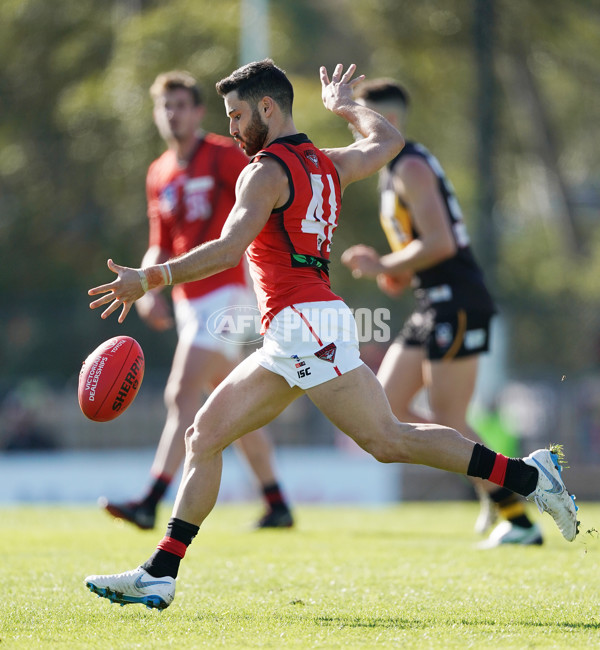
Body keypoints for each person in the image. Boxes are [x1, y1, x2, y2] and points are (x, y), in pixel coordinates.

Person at [83, 61, 578, 610]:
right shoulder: (326, 162)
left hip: (304, 325)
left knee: (388, 440)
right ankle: (161, 570)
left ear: (267, 108)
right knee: (205, 435)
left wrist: (149, 278)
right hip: (298, 328)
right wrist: (346, 106)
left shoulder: (264, 172)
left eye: (238, 115)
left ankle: (530, 477)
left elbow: (227, 250)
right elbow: (388, 139)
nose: (232, 129)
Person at [341, 79, 541, 548]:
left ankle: (519, 510)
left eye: (359, 119)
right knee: (385, 407)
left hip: (458, 299)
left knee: (450, 415)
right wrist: (391, 272)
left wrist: (382, 264)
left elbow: (441, 244)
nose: (355, 130)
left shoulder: (409, 165)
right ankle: (495, 491)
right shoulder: (391, 173)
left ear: (386, 121)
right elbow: (420, 252)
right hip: (432, 299)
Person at [99, 70, 293, 531]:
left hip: (230, 293)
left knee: (181, 391)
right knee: (232, 405)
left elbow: (259, 206)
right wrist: (149, 287)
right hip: (191, 300)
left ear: (198, 111)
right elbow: (159, 242)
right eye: (165, 106)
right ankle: (277, 502)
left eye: (181, 105)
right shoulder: (159, 173)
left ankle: (150, 500)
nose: (172, 114)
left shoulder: (224, 155)